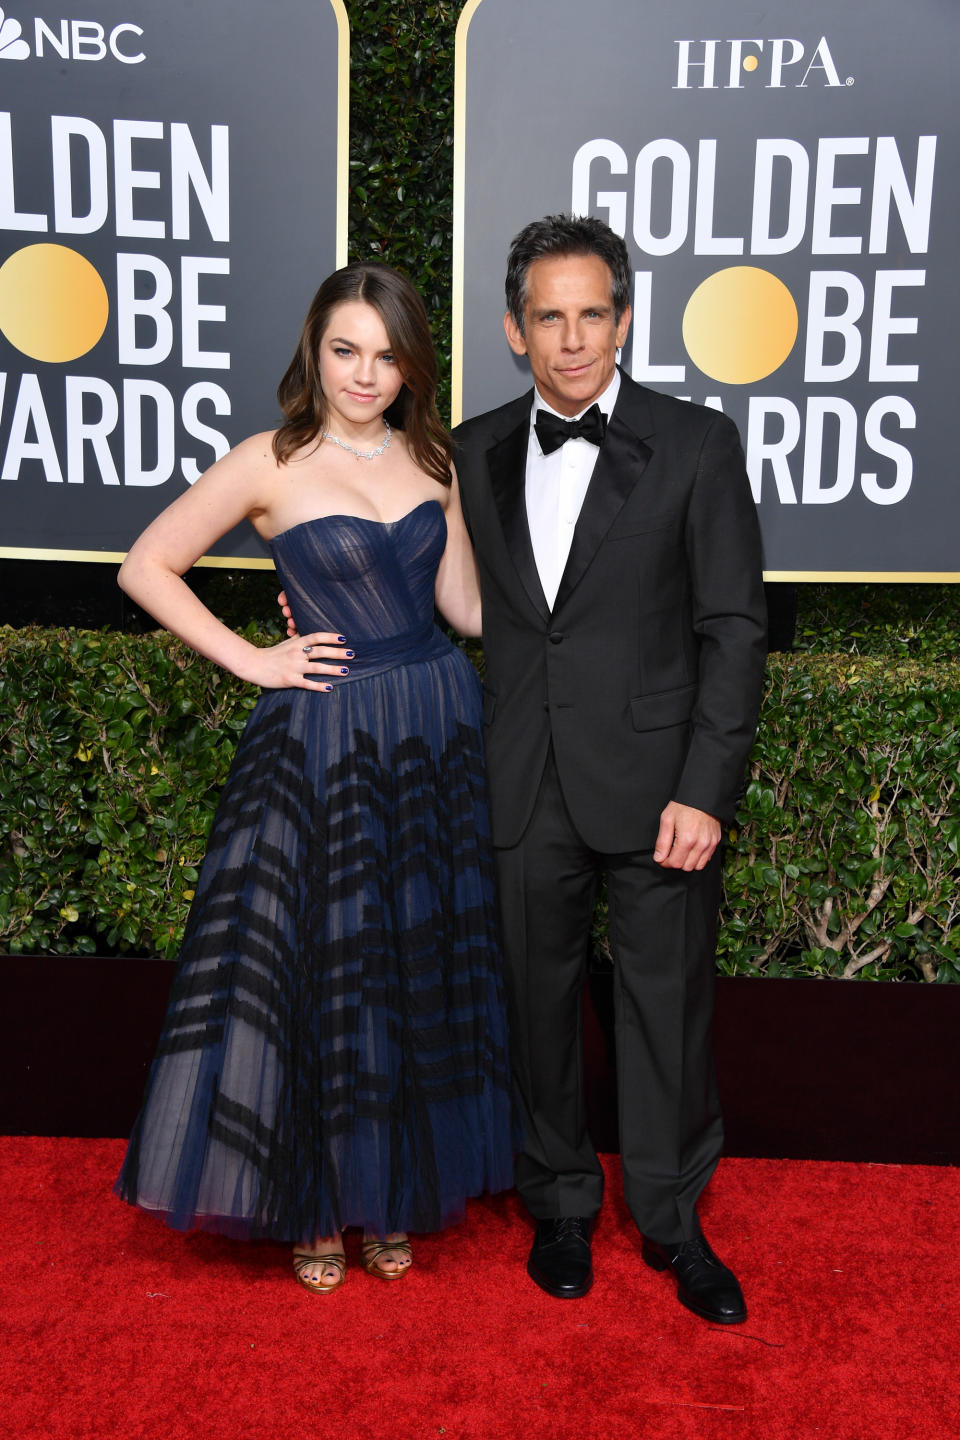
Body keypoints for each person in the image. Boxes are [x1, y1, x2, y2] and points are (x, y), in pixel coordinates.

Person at [114, 262, 514, 1294]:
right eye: (346, 350)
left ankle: (391, 1193)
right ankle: (317, 1200)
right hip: (327, 735)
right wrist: (254, 658)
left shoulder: (436, 457)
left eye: (386, 355)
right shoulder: (270, 461)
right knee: (323, 964)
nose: (365, 374)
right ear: (315, 350)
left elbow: (465, 608)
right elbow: (146, 564)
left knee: (408, 959)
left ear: (411, 362)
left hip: (433, 722)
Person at [452, 215, 767, 1320]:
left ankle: (677, 1227)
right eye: (551, 317)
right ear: (514, 329)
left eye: (594, 314)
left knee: (665, 1011)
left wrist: (706, 789)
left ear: (624, 321)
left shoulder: (694, 443)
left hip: (658, 792)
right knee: (536, 1009)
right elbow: (447, 591)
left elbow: (734, 628)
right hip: (524, 779)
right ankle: (562, 1208)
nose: (574, 338)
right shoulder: (474, 446)